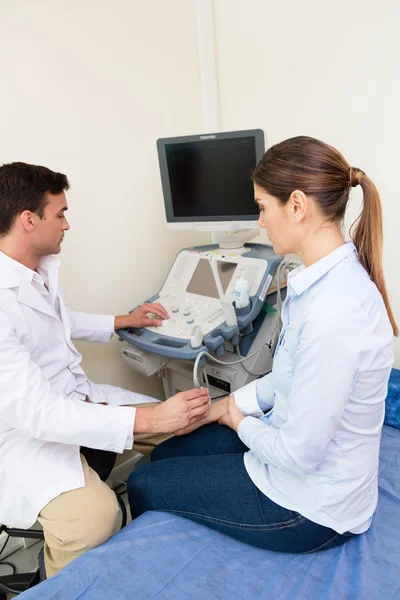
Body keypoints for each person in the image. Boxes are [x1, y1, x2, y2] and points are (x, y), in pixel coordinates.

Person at [127, 136, 397, 553]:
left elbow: (300, 455)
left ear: (296, 205)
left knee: (143, 481)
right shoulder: (318, 283)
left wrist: (239, 421)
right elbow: (284, 378)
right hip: (286, 452)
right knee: (167, 454)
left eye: (262, 207)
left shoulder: (336, 312)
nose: (260, 220)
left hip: (309, 508)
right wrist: (222, 408)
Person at [0, 162, 209, 577]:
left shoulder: (33, 271)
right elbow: (39, 415)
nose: (67, 224)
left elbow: (59, 320)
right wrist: (151, 417)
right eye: (59, 213)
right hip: (24, 439)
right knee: (96, 520)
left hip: (76, 401)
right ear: (28, 220)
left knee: (190, 424)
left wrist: (122, 321)